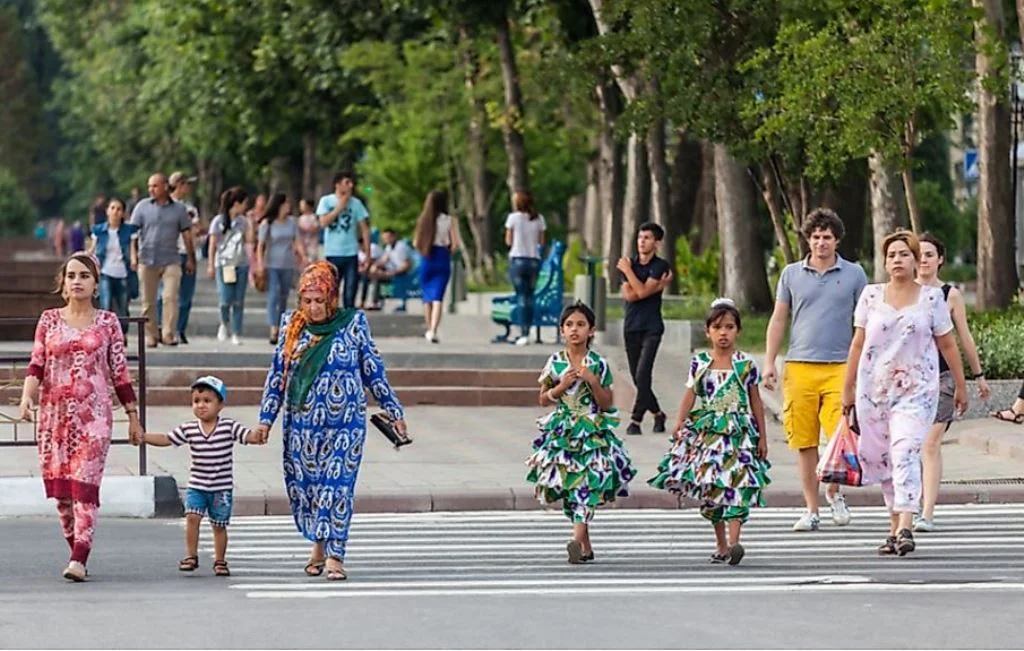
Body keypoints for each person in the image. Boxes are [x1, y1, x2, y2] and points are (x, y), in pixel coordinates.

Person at [255, 261, 408, 581]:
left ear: (332, 298)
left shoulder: (353, 324)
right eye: (307, 301)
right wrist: (265, 420)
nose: (313, 308)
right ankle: (318, 546)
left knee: (337, 488)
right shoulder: (291, 326)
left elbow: (373, 370)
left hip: (346, 424)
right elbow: (277, 376)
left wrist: (394, 411)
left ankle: (335, 555)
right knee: (308, 490)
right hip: (302, 427)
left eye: (319, 301)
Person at [842, 230, 968, 556]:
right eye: (892, 255)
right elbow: (857, 344)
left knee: (905, 450)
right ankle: (893, 526)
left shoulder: (931, 299)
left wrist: (961, 384)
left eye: (904, 254)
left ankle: (908, 524)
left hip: (917, 390)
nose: (898, 260)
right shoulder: (870, 296)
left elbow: (947, 343)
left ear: (916, 260)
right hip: (874, 392)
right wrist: (847, 390)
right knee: (881, 459)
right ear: (885, 262)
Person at [19, 252, 142, 582]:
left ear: (96, 284)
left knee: (84, 487)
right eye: (72, 275)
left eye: (84, 276)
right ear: (63, 284)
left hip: (94, 418)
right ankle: (78, 547)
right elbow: (36, 364)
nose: (77, 281)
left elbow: (120, 373)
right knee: (62, 495)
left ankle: (79, 559)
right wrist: (27, 397)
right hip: (54, 419)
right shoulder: (48, 320)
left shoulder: (108, 323)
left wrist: (133, 416)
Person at [763, 208, 868, 532]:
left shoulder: (854, 274)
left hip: (840, 367)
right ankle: (811, 509)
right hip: (799, 366)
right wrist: (769, 362)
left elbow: (865, 322)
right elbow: (779, 318)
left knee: (840, 436)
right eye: (816, 236)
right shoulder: (791, 274)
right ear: (808, 239)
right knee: (804, 441)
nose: (821, 242)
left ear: (837, 240)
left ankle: (834, 491)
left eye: (827, 237)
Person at [648, 298, 771, 565]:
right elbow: (691, 393)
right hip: (710, 434)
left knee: (737, 484)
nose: (723, 333)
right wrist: (679, 422)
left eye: (729, 327)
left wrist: (762, 436)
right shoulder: (701, 362)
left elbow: (755, 401)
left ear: (738, 330)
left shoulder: (745, 364)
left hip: (738, 434)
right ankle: (722, 544)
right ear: (708, 332)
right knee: (713, 488)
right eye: (717, 327)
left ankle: (736, 542)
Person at [527, 301, 637, 564]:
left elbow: (607, 402)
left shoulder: (598, 363)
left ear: (591, 330)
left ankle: (576, 541)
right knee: (569, 486)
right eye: (569, 325)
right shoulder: (554, 362)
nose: (574, 330)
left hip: (591, 431)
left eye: (580, 324)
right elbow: (543, 399)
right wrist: (561, 386)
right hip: (563, 431)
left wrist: (592, 380)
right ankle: (585, 547)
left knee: (586, 484)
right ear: (562, 331)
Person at [135, 376, 266, 577]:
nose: (201, 406)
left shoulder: (229, 426)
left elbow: (248, 436)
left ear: (220, 404)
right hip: (197, 485)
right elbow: (167, 439)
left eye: (207, 401)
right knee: (192, 517)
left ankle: (220, 560)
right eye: (196, 401)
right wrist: (144, 438)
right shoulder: (189, 428)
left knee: (219, 525)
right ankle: (191, 556)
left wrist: (257, 436)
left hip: (221, 489)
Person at [914, 233, 991, 531]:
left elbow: (963, 337)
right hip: (909, 379)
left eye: (930, 254)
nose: (924, 260)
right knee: (912, 444)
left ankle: (927, 513)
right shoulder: (902, 292)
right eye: (919, 254)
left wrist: (977, 376)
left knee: (931, 443)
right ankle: (910, 504)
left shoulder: (950, 294)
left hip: (942, 378)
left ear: (940, 259)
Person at [615, 222, 673, 437]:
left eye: (647, 238)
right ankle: (658, 413)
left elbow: (639, 291)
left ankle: (636, 420)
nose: (642, 241)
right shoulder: (628, 262)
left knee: (642, 374)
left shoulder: (660, 265)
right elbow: (631, 295)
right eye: (640, 237)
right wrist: (655, 287)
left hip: (652, 327)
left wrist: (630, 273)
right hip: (631, 327)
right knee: (638, 379)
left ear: (657, 243)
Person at [130, 173, 196, 348]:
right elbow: (132, 234)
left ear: (166, 186)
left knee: (170, 297)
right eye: (150, 186)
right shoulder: (142, 207)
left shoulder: (179, 209)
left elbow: (187, 235)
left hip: (171, 259)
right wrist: (133, 255)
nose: (151, 189)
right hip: (147, 259)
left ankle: (168, 333)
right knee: (148, 300)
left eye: (155, 186)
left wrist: (191, 258)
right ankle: (151, 335)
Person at [155, 172, 201, 344]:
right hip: (169, 254)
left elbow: (195, 230)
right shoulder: (163, 206)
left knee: (186, 295)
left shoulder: (190, 209)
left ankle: (179, 329)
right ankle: (162, 327)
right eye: (186, 184)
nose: (188, 188)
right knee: (165, 295)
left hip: (186, 253)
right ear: (179, 185)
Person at [316, 171, 372, 309]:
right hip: (332, 253)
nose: (350, 186)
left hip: (351, 253)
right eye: (347, 183)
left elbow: (364, 229)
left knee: (350, 293)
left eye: (351, 183)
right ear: (337, 184)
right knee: (331, 292)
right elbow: (323, 223)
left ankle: (348, 325)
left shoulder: (356, 204)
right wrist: (339, 207)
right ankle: (332, 325)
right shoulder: (326, 201)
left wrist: (368, 253)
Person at [257, 193, 307, 344]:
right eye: (286, 204)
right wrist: (260, 264)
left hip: (288, 264)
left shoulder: (292, 222)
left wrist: (304, 257)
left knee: (284, 295)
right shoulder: (268, 223)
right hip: (272, 264)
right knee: (274, 294)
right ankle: (273, 328)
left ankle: (282, 325)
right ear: (278, 205)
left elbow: (297, 241)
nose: (288, 207)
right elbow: (260, 245)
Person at [413, 190, 462, 343]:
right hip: (442, 257)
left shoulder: (423, 220)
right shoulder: (449, 220)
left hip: (427, 257)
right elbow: (455, 244)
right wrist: (447, 250)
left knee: (427, 297)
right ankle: (434, 329)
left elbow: (415, 243)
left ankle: (429, 329)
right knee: (438, 296)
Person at [208, 187, 254, 346]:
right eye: (244, 203)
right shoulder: (219, 221)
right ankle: (224, 323)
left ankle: (236, 332)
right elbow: (213, 244)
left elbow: (249, 241)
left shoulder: (244, 222)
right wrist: (211, 265)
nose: (246, 207)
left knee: (239, 300)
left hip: (240, 263)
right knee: (225, 298)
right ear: (236, 203)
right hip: (224, 264)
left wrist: (251, 223)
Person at [505, 191, 547, 346]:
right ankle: (529, 330)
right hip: (534, 260)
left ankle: (523, 333)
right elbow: (541, 242)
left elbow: (508, 241)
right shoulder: (539, 219)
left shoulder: (513, 218)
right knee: (530, 296)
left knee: (522, 296)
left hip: (518, 259)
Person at [88, 198, 138, 328]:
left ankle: (122, 334)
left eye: (119, 209)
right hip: (105, 271)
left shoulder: (129, 230)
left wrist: (134, 260)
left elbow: (132, 248)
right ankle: (105, 333)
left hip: (123, 272)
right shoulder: (99, 230)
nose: (115, 212)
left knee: (123, 306)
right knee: (105, 302)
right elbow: (93, 249)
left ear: (123, 213)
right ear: (107, 211)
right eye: (112, 208)